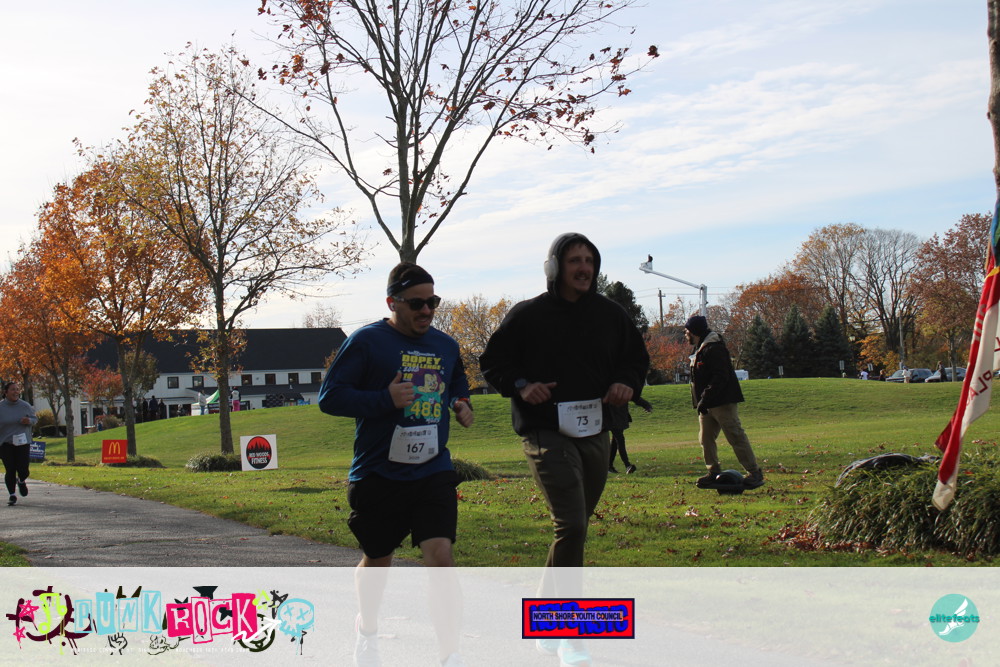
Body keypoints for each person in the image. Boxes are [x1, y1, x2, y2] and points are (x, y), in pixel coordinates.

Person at [480, 232, 649, 666]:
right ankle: (571, 633)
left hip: (595, 431)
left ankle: (544, 622)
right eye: (575, 260)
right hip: (545, 431)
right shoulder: (528, 315)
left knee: (573, 528)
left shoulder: (611, 314)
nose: (584, 268)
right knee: (571, 524)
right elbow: (493, 363)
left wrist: (626, 383)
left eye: (589, 260)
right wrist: (522, 385)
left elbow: (635, 360)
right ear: (554, 267)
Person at [319, 262, 474, 667]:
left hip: (433, 469)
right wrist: (383, 399)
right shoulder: (367, 341)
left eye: (433, 302)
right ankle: (367, 630)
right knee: (379, 559)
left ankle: (450, 655)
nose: (427, 311)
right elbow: (330, 397)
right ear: (393, 302)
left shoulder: (445, 345)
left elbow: (457, 379)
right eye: (417, 303)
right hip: (379, 472)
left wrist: (461, 401)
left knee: (440, 555)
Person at [684, 315, 764, 490]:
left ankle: (754, 472)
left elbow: (721, 377)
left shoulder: (714, 348)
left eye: (687, 331)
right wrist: (703, 401)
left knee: (735, 436)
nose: (685, 334)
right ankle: (712, 471)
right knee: (705, 439)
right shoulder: (701, 348)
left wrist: (705, 398)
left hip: (723, 402)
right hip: (707, 404)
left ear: (694, 331)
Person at [0, 382, 38, 506]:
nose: (16, 392)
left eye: (17, 389)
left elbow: (35, 419)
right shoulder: (1, 407)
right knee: (10, 469)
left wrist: (29, 420)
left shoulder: (25, 406)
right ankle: (12, 495)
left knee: (23, 470)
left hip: (22, 443)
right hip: (6, 443)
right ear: (6, 392)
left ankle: (21, 481)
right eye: (13, 389)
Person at [608, 396, 653, 474]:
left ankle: (609, 466)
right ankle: (627, 465)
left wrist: (646, 405)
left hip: (620, 415)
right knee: (620, 439)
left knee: (616, 440)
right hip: (612, 416)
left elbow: (633, 395)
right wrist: (646, 405)